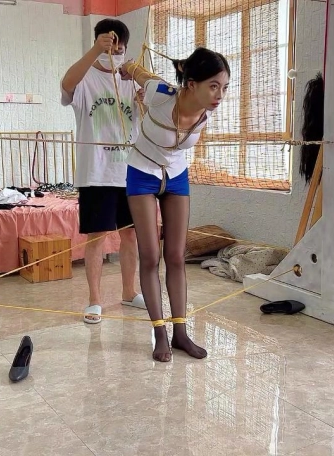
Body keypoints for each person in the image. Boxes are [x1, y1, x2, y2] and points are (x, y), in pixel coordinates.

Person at [119, 48, 230, 362]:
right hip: (142, 173)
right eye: (213, 86)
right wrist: (127, 66)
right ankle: (159, 333)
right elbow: (141, 73)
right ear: (191, 84)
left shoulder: (207, 112)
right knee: (150, 255)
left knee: (177, 256)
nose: (220, 95)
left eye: (224, 88)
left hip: (177, 176)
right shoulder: (160, 93)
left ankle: (180, 332)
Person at [60, 19, 146, 324]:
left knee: (130, 235)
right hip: (96, 173)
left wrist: (144, 94)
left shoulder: (132, 79)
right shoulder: (85, 79)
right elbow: (66, 84)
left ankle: (129, 292)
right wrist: (96, 49)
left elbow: (155, 112)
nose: (115, 52)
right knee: (96, 237)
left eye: (120, 47)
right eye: (109, 46)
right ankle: (94, 300)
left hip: (131, 172)